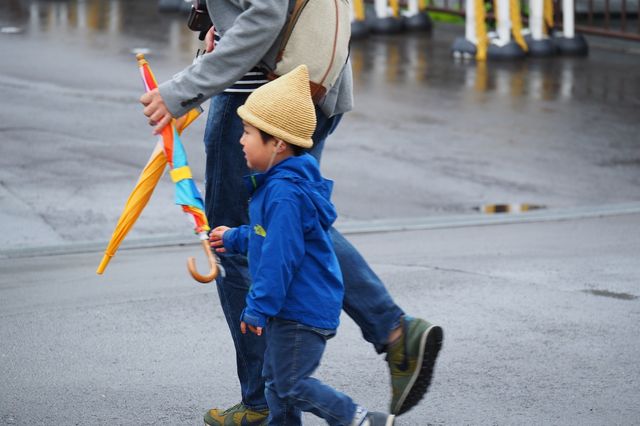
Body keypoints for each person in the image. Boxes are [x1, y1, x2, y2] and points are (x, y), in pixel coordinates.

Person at [139, 1, 443, 424]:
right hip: (308, 82)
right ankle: (392, 331)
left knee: (240, 240)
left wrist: (181, 90)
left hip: (260, 95)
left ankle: (265, 400)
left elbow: (264, 15)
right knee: (293, 216)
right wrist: (217, 24)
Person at [209, 64, 395, 426]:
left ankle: (359, 419)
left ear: (277, 143)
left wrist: (257, 308)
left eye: (248, 132)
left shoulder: (284, 194)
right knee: (275, 386)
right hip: (291, 306)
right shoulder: (274, 186)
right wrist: (233, 236)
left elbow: (280, 257)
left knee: (289, 384)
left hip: (300, 310)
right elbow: (267, 237)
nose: (240, 140)